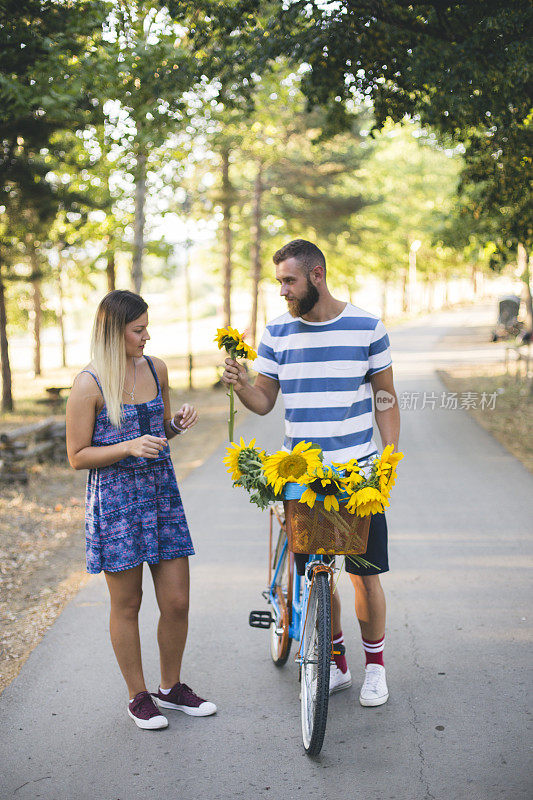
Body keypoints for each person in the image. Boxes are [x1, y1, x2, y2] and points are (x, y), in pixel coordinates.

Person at [222, 239, 400, 707]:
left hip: (357, 476)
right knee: (317, 573)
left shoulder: (367, 327)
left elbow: (385, 397)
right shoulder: (277, 332)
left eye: (289, 281)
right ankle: (337, 663)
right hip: (300, 477)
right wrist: (242, 385)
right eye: (278, 280)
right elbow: (264, 402)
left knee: (365, 574)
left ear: (316, 276)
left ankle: (376, 669)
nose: (282, 290)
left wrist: (389, 459)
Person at [66, 290, 216, 730]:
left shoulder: (156, 369)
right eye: (138, 330)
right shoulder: (88, 384)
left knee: (177, 601)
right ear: (115, 332)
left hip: (161, 495)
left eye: (147, 327)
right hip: (117, 504)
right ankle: (138, 696)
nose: (146, 336)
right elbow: (76, 456)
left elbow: (158, 436)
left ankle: (171, 689)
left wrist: (175, 427)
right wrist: (126, 446)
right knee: (127, 604)